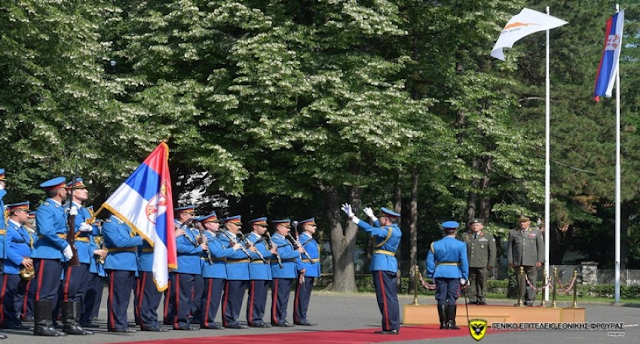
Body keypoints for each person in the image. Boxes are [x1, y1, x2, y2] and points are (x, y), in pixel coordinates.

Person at [341, 204, 401, 335]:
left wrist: (353, 217)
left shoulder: (386, 231)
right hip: (389, 265)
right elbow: (380, 228)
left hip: (381, 265)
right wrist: (372, 217)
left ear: (386, 220)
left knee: (384, 297)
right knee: (391, 297)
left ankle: (389, 326)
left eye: (381, 218)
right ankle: (394, 324)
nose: (379, 219)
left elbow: (371, 230)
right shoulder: (394, 230)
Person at [31, 176, 72, 337]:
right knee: (44, 290)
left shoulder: (58, 208)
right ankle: (41, 326)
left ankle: (49, 324)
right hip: (46, 253)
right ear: (60, 191)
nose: (67, 191)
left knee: (52, 291)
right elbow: (47, 231)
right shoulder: (46, 208)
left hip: (55, 254)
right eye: (65, 189)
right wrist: (64, 245)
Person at [196, 212, 240, 329]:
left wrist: (230, 248)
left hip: (219, 270)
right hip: (212, 270)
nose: (218, 225)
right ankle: (206, 321)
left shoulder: (214, 237)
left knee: (215, 298)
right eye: (215, 223)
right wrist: (234, 249)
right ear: (208, 225)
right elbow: (218, 253)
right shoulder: (207, 237)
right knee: (210, 298)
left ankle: (210, 320)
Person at [61, 178, 95, 333]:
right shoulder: (67, 209)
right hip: (75, 250)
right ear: (72, 192)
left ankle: (75, 321)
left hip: (85, 251)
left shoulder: (86, 211)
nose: (85, 191)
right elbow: (64, 230)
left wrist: (90, 228)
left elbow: (96, 230)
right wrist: (71, 222)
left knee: (81, 289)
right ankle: (67, 322)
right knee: (71, 288)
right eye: (81, 189)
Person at [102, 213, 143, 332]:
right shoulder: (110, 224)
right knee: (117, 296)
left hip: (129, 264)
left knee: (124, 297)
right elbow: (119, 242)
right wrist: (139, 239)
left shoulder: (125, 225)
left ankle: (121, 323)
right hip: (117, 263)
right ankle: (115, 324)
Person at [426, 221, 469, 330]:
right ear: (455, 231)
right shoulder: (461, 245)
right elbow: (464, 261)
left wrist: (431, 274)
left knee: (441, 297)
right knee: (452, 297)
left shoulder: (435, 244)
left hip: (440, 272)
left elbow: (430, 261)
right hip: (455, 272)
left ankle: (443, 323)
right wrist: (465, 276)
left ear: (444, 231)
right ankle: (451, 322)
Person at [169, 205, 204, 331]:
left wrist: (200, 242)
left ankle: (185, 320)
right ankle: (180, 322)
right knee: (182, 296)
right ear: (182, 215)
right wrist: (198, 248)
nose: (192, 217)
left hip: (192, 267)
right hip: (182, 266)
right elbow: (177, 247)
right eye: (190, 214)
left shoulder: (188, 229)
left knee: (189, 296)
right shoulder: (175, 226)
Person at [3, 202, 34, 331]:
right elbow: (5, 247)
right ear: (16, 212)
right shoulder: (8, 228)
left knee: (20, 293)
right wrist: (20, 259)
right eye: (25, 212)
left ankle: (14, 318)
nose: (28, 215)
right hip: (11, 266)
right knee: (8, 294)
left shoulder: (22, 229)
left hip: (23, 268)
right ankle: (5, 319)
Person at [269, 219, 304, 327]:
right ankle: (276, 318)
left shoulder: (286, 240)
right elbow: (282, 255)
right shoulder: (275, 239)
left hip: (288, 271)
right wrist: (297, 251)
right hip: (280, 271)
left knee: (284, 298)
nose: (288, 230)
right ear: (279, 228)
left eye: (289, 228)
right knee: (278, 298)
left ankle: (282, 317)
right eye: (286, 228)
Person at [507, 216, 544, 306]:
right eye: (521, 222)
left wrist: (540, 260)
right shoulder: (513, 232)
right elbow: (510, 248)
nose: (522, 224)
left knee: (531, 280)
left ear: (529, 222)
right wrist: (510, 260)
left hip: (532, 260)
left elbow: (540, 247)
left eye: (524, 222)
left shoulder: (536, 232)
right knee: (520, 281)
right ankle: (521, 299)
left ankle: (530, 300)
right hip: (518, 260)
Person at [244, 217, 274, 328]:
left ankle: (259, 317)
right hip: (256, 270)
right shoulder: (248, 239)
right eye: (263, 226)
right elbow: (249, 254)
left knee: (262, 297)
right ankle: (253, 318)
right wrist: (268, 252)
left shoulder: (264, 240)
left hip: (265, 270)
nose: (265, 228)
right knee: (255, 297)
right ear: (255, 227)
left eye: (265, 226)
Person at [463, 218, 496, 305]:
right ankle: (472, 298)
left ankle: (481, 298)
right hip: (470, 263)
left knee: (482, 281)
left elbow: (492, 251)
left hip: (483, 264)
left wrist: (491, 263)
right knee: (471, 281)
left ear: (482, 226)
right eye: (473, 225)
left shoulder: (488, 237)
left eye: (477, 225)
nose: (475, 227)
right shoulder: (465, 236)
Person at [293, 217, 320, 326]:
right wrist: (301, 268)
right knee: (302, 295)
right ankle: (299, 317)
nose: (315, 227)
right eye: (312, 225)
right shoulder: (302, 239)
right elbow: (297, 255)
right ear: (305, 227)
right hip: (306, 269)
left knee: (306, 296)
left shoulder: (311, 239)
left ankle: (302, 316)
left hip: (312, 269)